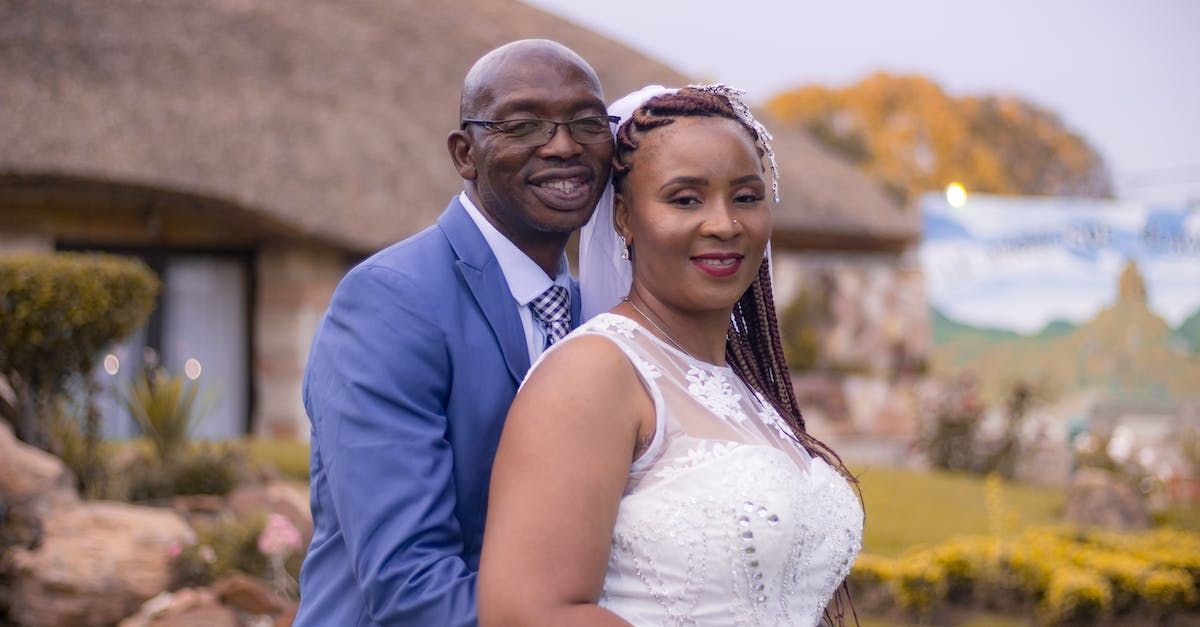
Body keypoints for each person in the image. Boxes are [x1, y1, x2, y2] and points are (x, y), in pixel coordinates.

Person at [478, 85, 864, 626]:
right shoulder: (595, 374)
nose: (724, 224)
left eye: (746, 197)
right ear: (624, 218)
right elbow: (527, 613)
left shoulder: (748, 389)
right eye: (685, 199)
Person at [294, 39, 615, 626]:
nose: (564, 145)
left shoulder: (596, 315)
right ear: (466, 153)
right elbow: (408, 581)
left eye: (587, 121)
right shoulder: (390, 300)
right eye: (524, 125)